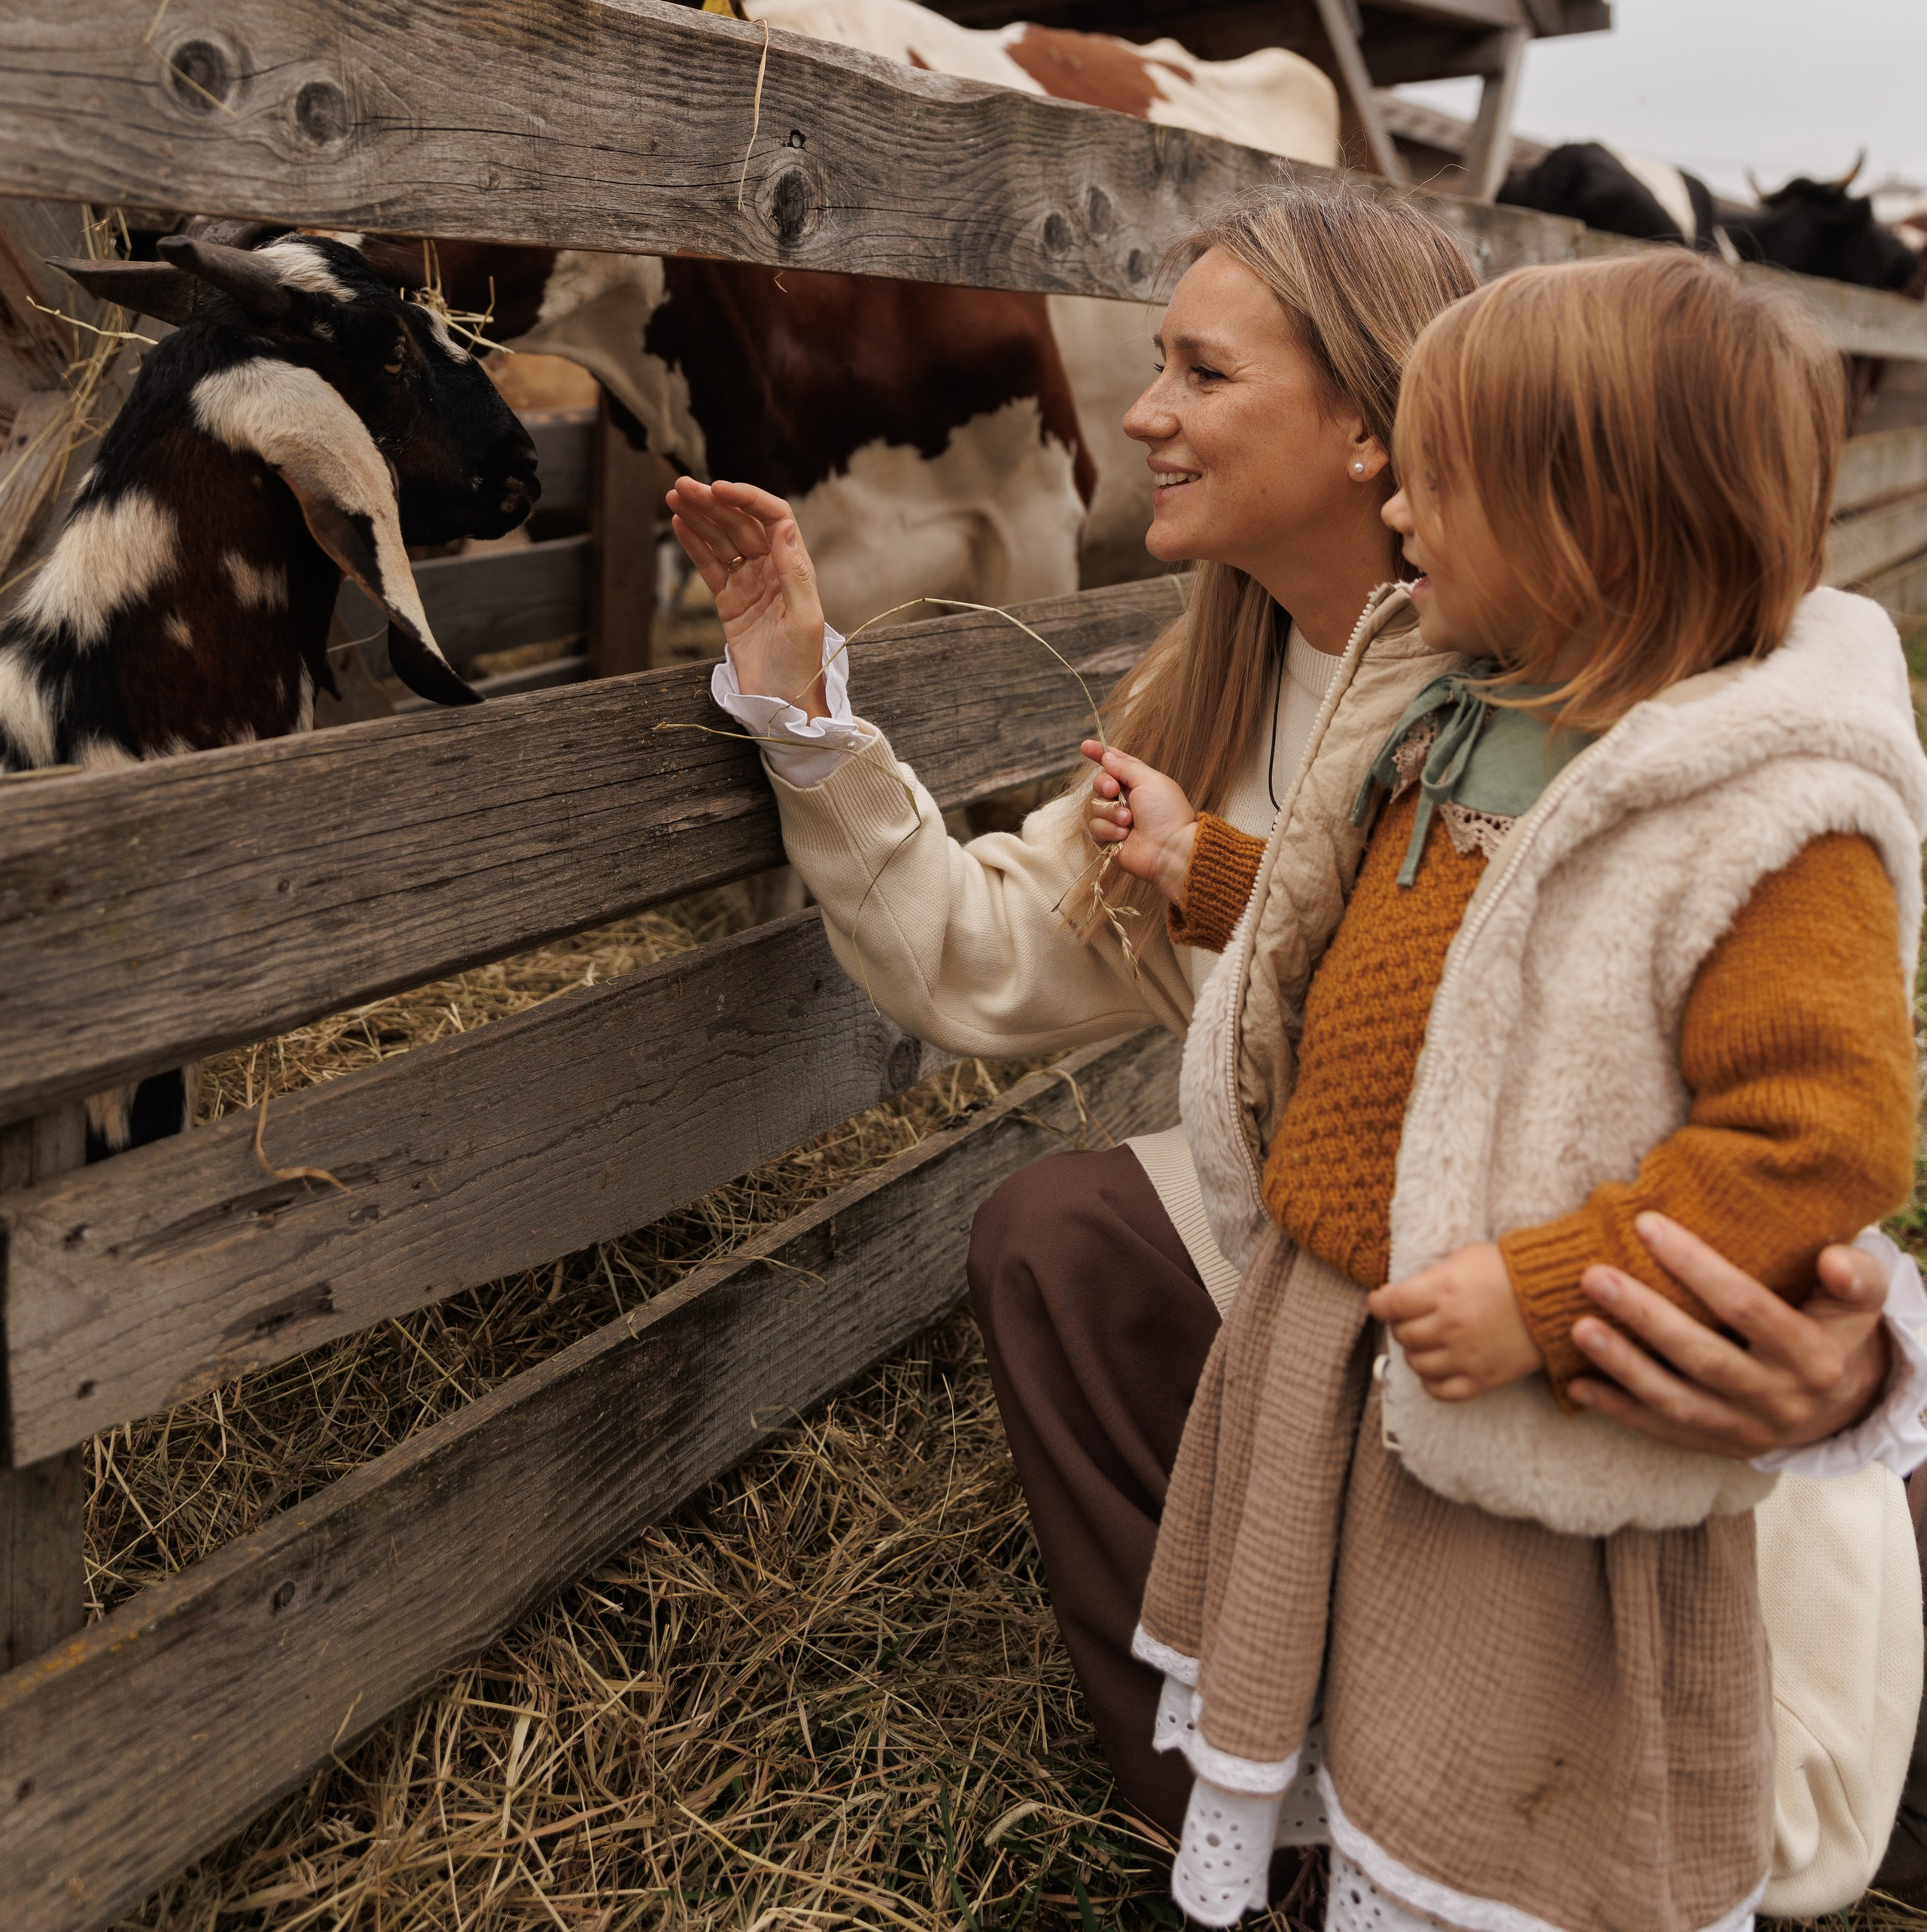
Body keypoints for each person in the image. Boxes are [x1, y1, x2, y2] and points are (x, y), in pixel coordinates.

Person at [665, 180, 1927, 1900]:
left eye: (1199, 370)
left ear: (1362, 426)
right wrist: (805, 708)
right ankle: (1244, 1810)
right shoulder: (1215, 694)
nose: (1134, 410)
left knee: (1766, 1764)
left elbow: (1740, 1098)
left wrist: (1844, 1377)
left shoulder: (1653, 705)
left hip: (1607, 1294)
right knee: (1060, 1235)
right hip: (1359, 1271)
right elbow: (980, 960)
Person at [1126, 251, 1925, 1930]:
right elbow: (1367, 940)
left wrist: (1550, 1294)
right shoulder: (1467, 707)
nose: (1398, 509)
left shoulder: (1751, 811)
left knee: (1491, 1739)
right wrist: (1200, 873)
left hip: (1523, 1393)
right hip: (1338, 1318)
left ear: (1595, 531)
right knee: (1352, 1685)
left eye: (1438, 478)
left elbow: (1820, 1133)